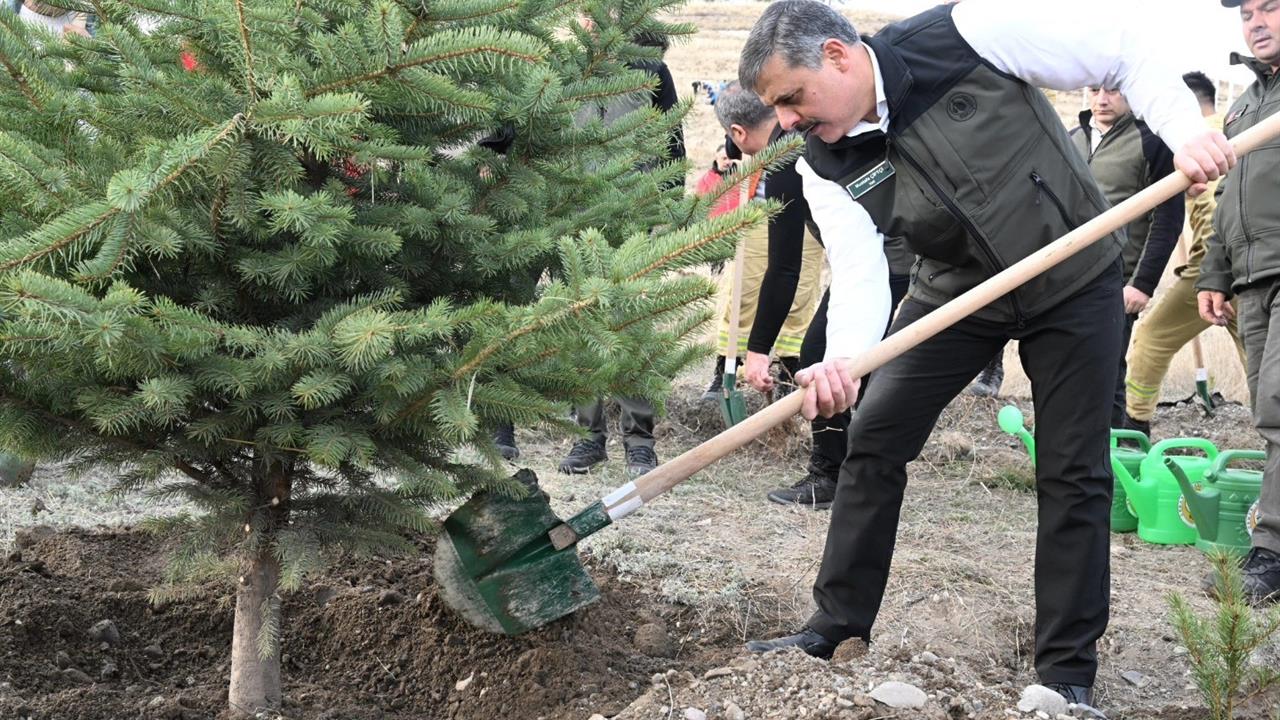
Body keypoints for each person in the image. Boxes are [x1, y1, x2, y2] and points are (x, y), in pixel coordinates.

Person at [736, 0, 1233, 711]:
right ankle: (836, 626)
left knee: (1072, 468)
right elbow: (860, 266)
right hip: (955, 294)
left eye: (792, 98)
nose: (786, 120)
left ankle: (1064, 673)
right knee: (872, 438)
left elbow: (1123, 49)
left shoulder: (965, 35)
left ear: (837, 57)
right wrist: (845, 357)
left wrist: (1184, 133)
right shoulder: (824, 156)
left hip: (1074, 275)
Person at [708, 82, 911, 508]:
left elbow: (785, 267)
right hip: (878, 250)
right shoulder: (801, 133)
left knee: (829, 356)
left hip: (887, 256)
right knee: (841, 356)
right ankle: (851, 467)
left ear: (739, 133)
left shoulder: (785, 155)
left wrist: (757, 350)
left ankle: (839, 474)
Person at [970, 84, 1187, 411]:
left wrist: (1142, 283)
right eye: (1095, 90)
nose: (1102, 99)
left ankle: (1113, 440)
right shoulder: (1070, 137)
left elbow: (1168, 217)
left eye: (1113, 91)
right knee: (1059, 369)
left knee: (1106, 375)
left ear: (1130, 92)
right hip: (1062, 280)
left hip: (1114, 281)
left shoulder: (1151, 143)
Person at [558, 26, 685, 479]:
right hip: (575, 215)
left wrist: (670, 208)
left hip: (634, 216)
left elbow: (673, 142)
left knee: (632, 326)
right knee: (581, 326)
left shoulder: (651, 70)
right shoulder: (566, 67)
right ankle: (587, 438)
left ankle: (640, 443)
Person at [1196, 0, 1280, 606]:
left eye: (1270, 6)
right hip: (1252, 278)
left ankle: (1272, 552)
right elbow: (1229, 196)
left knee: (1279, 405)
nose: (1255, 22)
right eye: (1246, 12)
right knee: (1267, 412)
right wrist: (1214, 273)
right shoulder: (1246, 104)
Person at [1125, 72, 1246, 434]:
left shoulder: (1198, 141)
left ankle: (1134, 424)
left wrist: (1214, 273)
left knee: (1152, 339)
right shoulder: (1234, 130)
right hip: (1249, 267)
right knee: (1260, 361)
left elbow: (1212, 219)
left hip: (1214, 271)